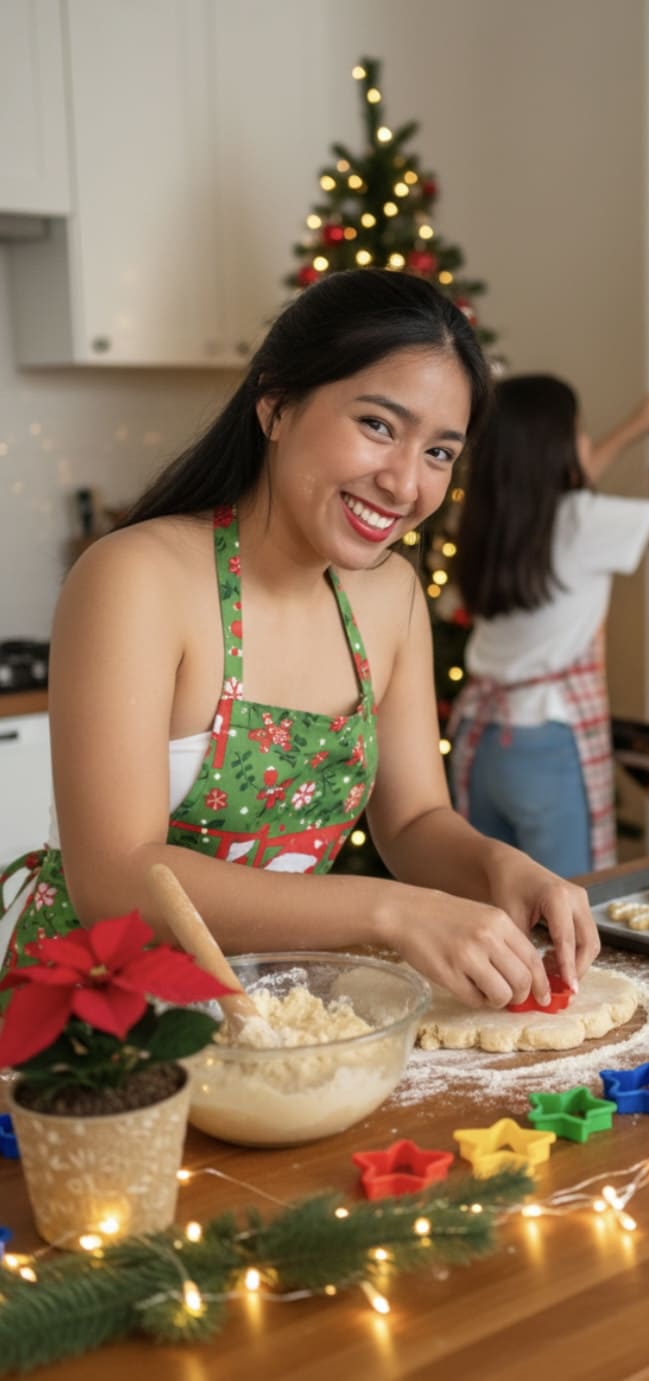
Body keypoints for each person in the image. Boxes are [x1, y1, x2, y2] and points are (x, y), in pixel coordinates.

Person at [0, 272, 600, 1010]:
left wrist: (500, 865)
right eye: (378, 425)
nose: (405, 483)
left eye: (440, 453)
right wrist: (391, 909)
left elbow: (413, 820)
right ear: (276, 404)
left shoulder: (391, 594)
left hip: (263, 1018)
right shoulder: (136, 577)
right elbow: (116, 881)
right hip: (92, 1035)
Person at [449, 375, 649, 877]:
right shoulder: (583, 521)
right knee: (570, 904)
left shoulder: (488, 515)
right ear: (555, 447)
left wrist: (638, 425)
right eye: (579, 430)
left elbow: (573, 474)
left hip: (482, 738)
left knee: (495, 899)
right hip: (546, 744)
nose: (588, 443)